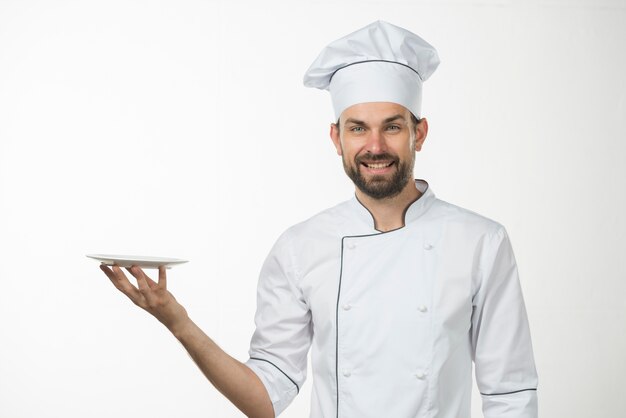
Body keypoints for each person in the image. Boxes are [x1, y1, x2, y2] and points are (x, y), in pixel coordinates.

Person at [100, 20, 538, 418]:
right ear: (336, 137)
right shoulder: (300, 248)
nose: (375, 146)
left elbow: (511, 395)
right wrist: (178, 322)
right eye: (357, 127)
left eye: (392, 126)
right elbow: (266, 397)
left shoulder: (481, 242)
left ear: (418, 133)